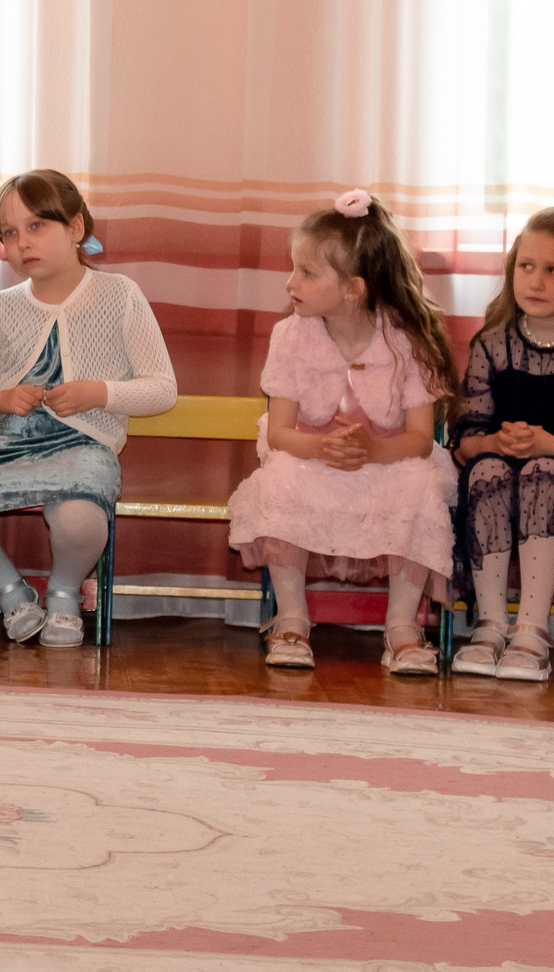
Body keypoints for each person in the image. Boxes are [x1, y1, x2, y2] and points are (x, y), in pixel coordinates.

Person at [0, 171, 177, 648]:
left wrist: (99, 393)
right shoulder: (1, 307)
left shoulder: (120, 295)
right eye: (10, 233)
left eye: (37, 226)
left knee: (81, 519)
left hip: (85, 443)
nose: (22, 243)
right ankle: (12, 593)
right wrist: (1, 400)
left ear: (76, 228)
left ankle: (63, 593)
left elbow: (162, 389)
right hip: (6, 441)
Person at [227, 191, 459, 675]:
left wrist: (373, 451)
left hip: (387, 461)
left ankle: (402, 628)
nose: (291, 283)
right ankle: (291, 620)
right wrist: (322, 447)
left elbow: (420, 439)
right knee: (281, 479)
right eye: (293, 269)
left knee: (419, 485)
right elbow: (281, 434)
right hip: (311, 456)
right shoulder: (290, 336)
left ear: (353, 289)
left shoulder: (407, 340)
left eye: (307, 274)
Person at [446, 208, 554, 683]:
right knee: (489, 471)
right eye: (526, 266)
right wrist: (496, 441)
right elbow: (465, 443)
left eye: (553, 270)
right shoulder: (491, 345)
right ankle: (489, 625)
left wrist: (545, 442)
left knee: (540, 473)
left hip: (547, 481)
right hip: (494, 476)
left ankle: (532, 629)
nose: (536, 281)